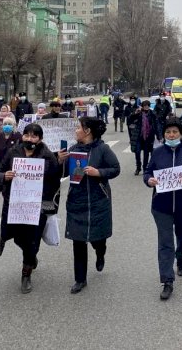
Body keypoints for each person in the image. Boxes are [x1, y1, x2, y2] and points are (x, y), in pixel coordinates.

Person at [0, 123, 64, 294]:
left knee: (32, 239)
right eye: (27, 135)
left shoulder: (47, 155)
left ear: (40, 139)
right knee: (19, 238)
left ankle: (26, 274)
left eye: (34, 136)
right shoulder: (14, 152)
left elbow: (56, 177)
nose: (29, 139)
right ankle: (31, 256)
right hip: (16, 204)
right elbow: (0, 170)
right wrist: (4, 176)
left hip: (37, 206)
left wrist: (60, 162)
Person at [144, 118, 182, 300]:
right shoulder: (157, 153)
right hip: (161, 205)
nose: (171, 135)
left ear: (181, 134)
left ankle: (181, 259)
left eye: (175, 132)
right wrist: (149, 180)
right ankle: (167, 280)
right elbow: (148, 172)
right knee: (165, 242)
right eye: (168, 132)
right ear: (164, 135)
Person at [64, 117, 121, 294]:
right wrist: (60, 160)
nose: (76, 130)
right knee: (78, 241)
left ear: (87, 131)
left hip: (98, 200)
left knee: (97, 238)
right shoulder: (73, 149)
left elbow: (115, 168)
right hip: (77, 200)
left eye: (78, 128)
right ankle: (80, 279)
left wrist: (98, 172)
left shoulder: (102, 149)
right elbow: (64, 172)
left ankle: (100, 252)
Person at [0, 116, 22, 194]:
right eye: (5, 124)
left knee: (11, 187)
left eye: (9, 124)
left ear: (14, 125)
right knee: (1, 182)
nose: (7, 125)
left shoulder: (18, 136)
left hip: (13, 166)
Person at [127, 100, 158, 175]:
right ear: (142, 106)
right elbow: (129, 120)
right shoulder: (139, 113)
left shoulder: (152, 113)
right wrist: (134, 113)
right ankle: (138, 168)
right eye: (145, 105)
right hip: (139, 136)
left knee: (146, 154)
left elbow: (156, 125)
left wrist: (159, 135)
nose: (146, 107)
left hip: (148, 137)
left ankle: (145, 168)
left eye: (147, 105)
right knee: (137, 152)